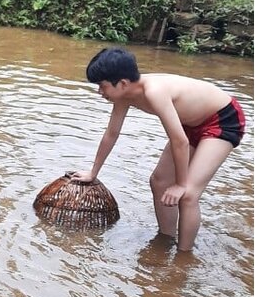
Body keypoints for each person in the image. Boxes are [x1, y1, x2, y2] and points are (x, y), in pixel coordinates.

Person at [73, 47, 246, 252]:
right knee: (159, 181)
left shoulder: (154, 91)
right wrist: (93, 172)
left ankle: (183, 258)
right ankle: (166, 240)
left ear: (122, 83)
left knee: (189, 194)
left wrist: (181, 184)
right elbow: (112, 133)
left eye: (102, 86)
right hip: (189, 125)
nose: (99, 92)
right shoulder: (124, 95)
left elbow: (179, 141)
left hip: (222, 119)